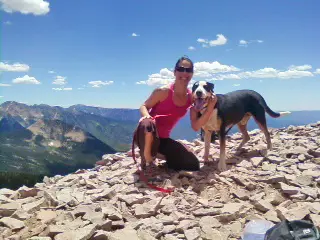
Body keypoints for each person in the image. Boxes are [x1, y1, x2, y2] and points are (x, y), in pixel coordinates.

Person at [133, 56, 217, 176]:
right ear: (175, 72)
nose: (184, 72)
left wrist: (210, 107)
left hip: (163, 139)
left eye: (188, 70)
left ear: (192, 73)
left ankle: (155, 153)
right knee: (148, 124)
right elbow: (144, 106)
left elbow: (196, 126)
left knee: (192, 164)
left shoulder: (190, 97)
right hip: (146, 133)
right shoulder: (163, 91)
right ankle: (148, 160)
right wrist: (147, 116)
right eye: (181, 69)